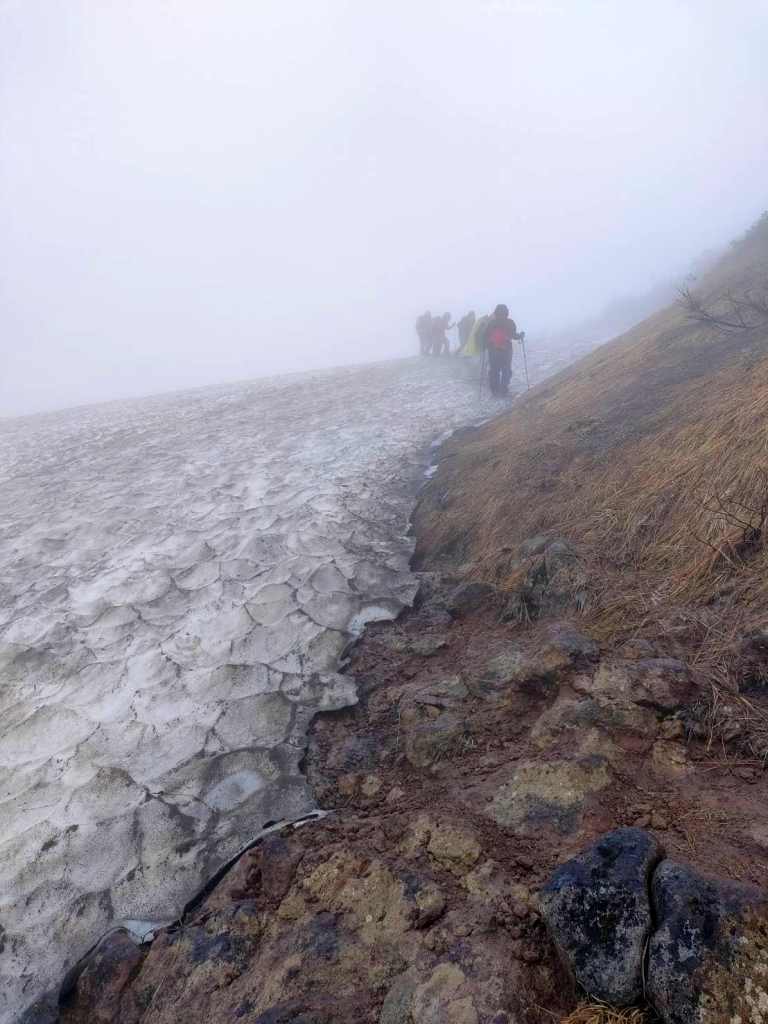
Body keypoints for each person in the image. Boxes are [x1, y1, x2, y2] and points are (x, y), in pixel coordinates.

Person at [480, 303, 524, 397]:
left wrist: (519, 336)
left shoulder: (492, 323)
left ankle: (499, 390)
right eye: (500, 313)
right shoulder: (508, 323)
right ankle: (500, 390)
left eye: (502, 313)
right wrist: (519, 336)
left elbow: (485, 336)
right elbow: (513, 335)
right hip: (502, 351)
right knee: (502, 371)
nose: (501, 315)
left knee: (498, 371)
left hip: (498, 350)